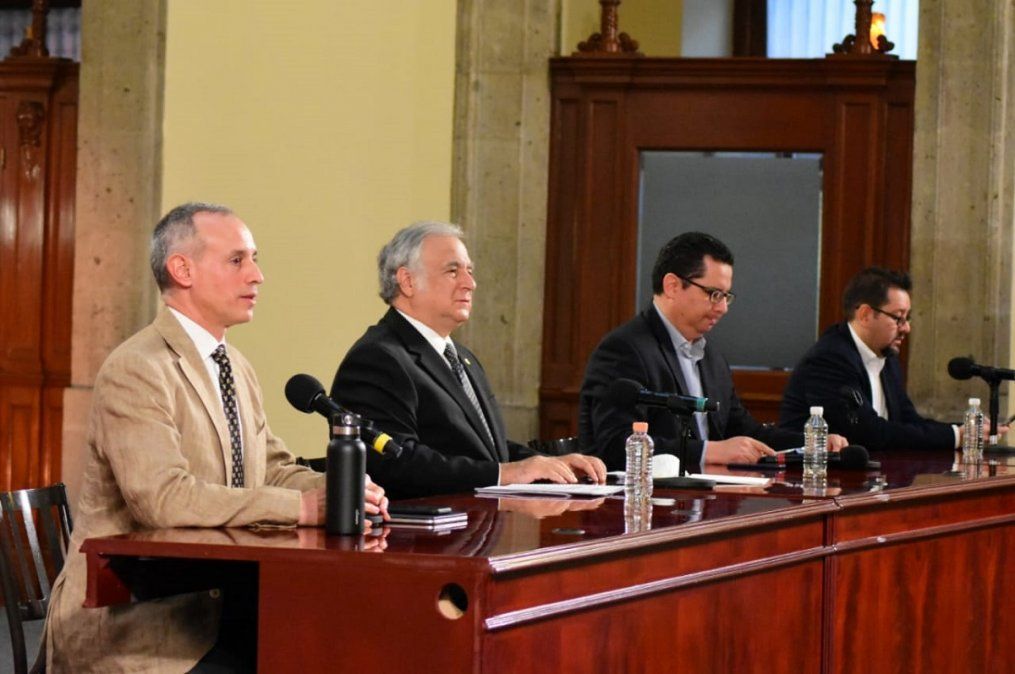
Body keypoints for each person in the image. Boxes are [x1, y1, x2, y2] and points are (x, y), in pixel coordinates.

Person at [45, 203, 388, 672]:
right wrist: (304, 509)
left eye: (254, 259)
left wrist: (346, 493)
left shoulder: (235, 366)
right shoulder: (137, 368)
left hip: (219, 601)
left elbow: (272, 468)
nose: (257, 275)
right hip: (138, 621)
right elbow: (163, 500)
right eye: (237, 260)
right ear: (182, 269)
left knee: (340, 644)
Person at [331, 221, 605, 499]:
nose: (470, 284)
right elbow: (395, 463)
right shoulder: (376, 359)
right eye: (453, 271)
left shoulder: (463, 357)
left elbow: (487, 450)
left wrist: (549, 464)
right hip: (420, 524)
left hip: (478, 520)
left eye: (470, 271)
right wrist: (507, 473)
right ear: (407, 281)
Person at [578, 231, 847, 471]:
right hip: (643, 503)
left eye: (726, 296)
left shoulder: (712, 357)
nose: (723, 308)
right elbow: (616, 445)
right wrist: (709, 451)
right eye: (714, 294)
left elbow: (744, 431)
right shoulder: (625, 350)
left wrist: (810, 443)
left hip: (705, 499)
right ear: (672, 286)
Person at [779, 267, 991, 451]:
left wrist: (964, 430)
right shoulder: (830, 359)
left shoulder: (886, 357)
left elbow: (908, 421)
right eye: (898, 318)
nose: (906, 328)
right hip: (820, 477)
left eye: (907, 318)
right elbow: (867, 432)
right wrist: (954, 436)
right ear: (865, 314)